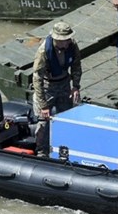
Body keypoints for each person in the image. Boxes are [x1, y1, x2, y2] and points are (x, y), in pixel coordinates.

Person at [32, 21, 82, 156]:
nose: (67, 42)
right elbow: (37, 78)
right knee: (43, 122)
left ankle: (65, 147)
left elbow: (76, 66)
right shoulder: (44, 51)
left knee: (66, 116)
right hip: (48, 87)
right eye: (64, 40)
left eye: (68, 39)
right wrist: (43, 105)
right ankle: (42, 151)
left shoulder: (73, 45)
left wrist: (75, 86)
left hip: (64, 84)